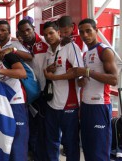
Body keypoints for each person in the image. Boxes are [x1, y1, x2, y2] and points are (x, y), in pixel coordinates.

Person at [70, 18, 118, 161]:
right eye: (81, 32)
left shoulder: (104, 51)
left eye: (88, 31)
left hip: (100, 105)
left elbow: (114, 79)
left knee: (99, 150)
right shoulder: (85, 54)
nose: (85, 35)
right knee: (88, 148)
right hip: (86, 106)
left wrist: (87, 72)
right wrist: (81, 79)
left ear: (96, 31)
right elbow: (85, 80)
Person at [43, 21, 83, 161]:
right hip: (52, 103)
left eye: (51, 33)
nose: (48, 37)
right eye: (45, 34)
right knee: (51, 141)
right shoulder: (48, 52)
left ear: (58, 32)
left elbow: (78, 71)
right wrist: (48, 71)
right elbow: (46, 74)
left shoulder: (70, 46)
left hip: (69, 104)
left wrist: (54, 76)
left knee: (70, 142)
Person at [0, 40, 27, 161]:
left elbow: (22, 73)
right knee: (4, 137)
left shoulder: (8, 56)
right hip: (2, 104)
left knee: (18, 138)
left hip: (16, 102)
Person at [17, 18, 49, 161]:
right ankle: (34, 153)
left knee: (46, 125)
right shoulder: (20, 46)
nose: (26, 33)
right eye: (22, 31)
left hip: (46, 89)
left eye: (28, 29)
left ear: (33, 28)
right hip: (31, 91)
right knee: (33, 123)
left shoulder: (45, 42)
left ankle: (43, 154)